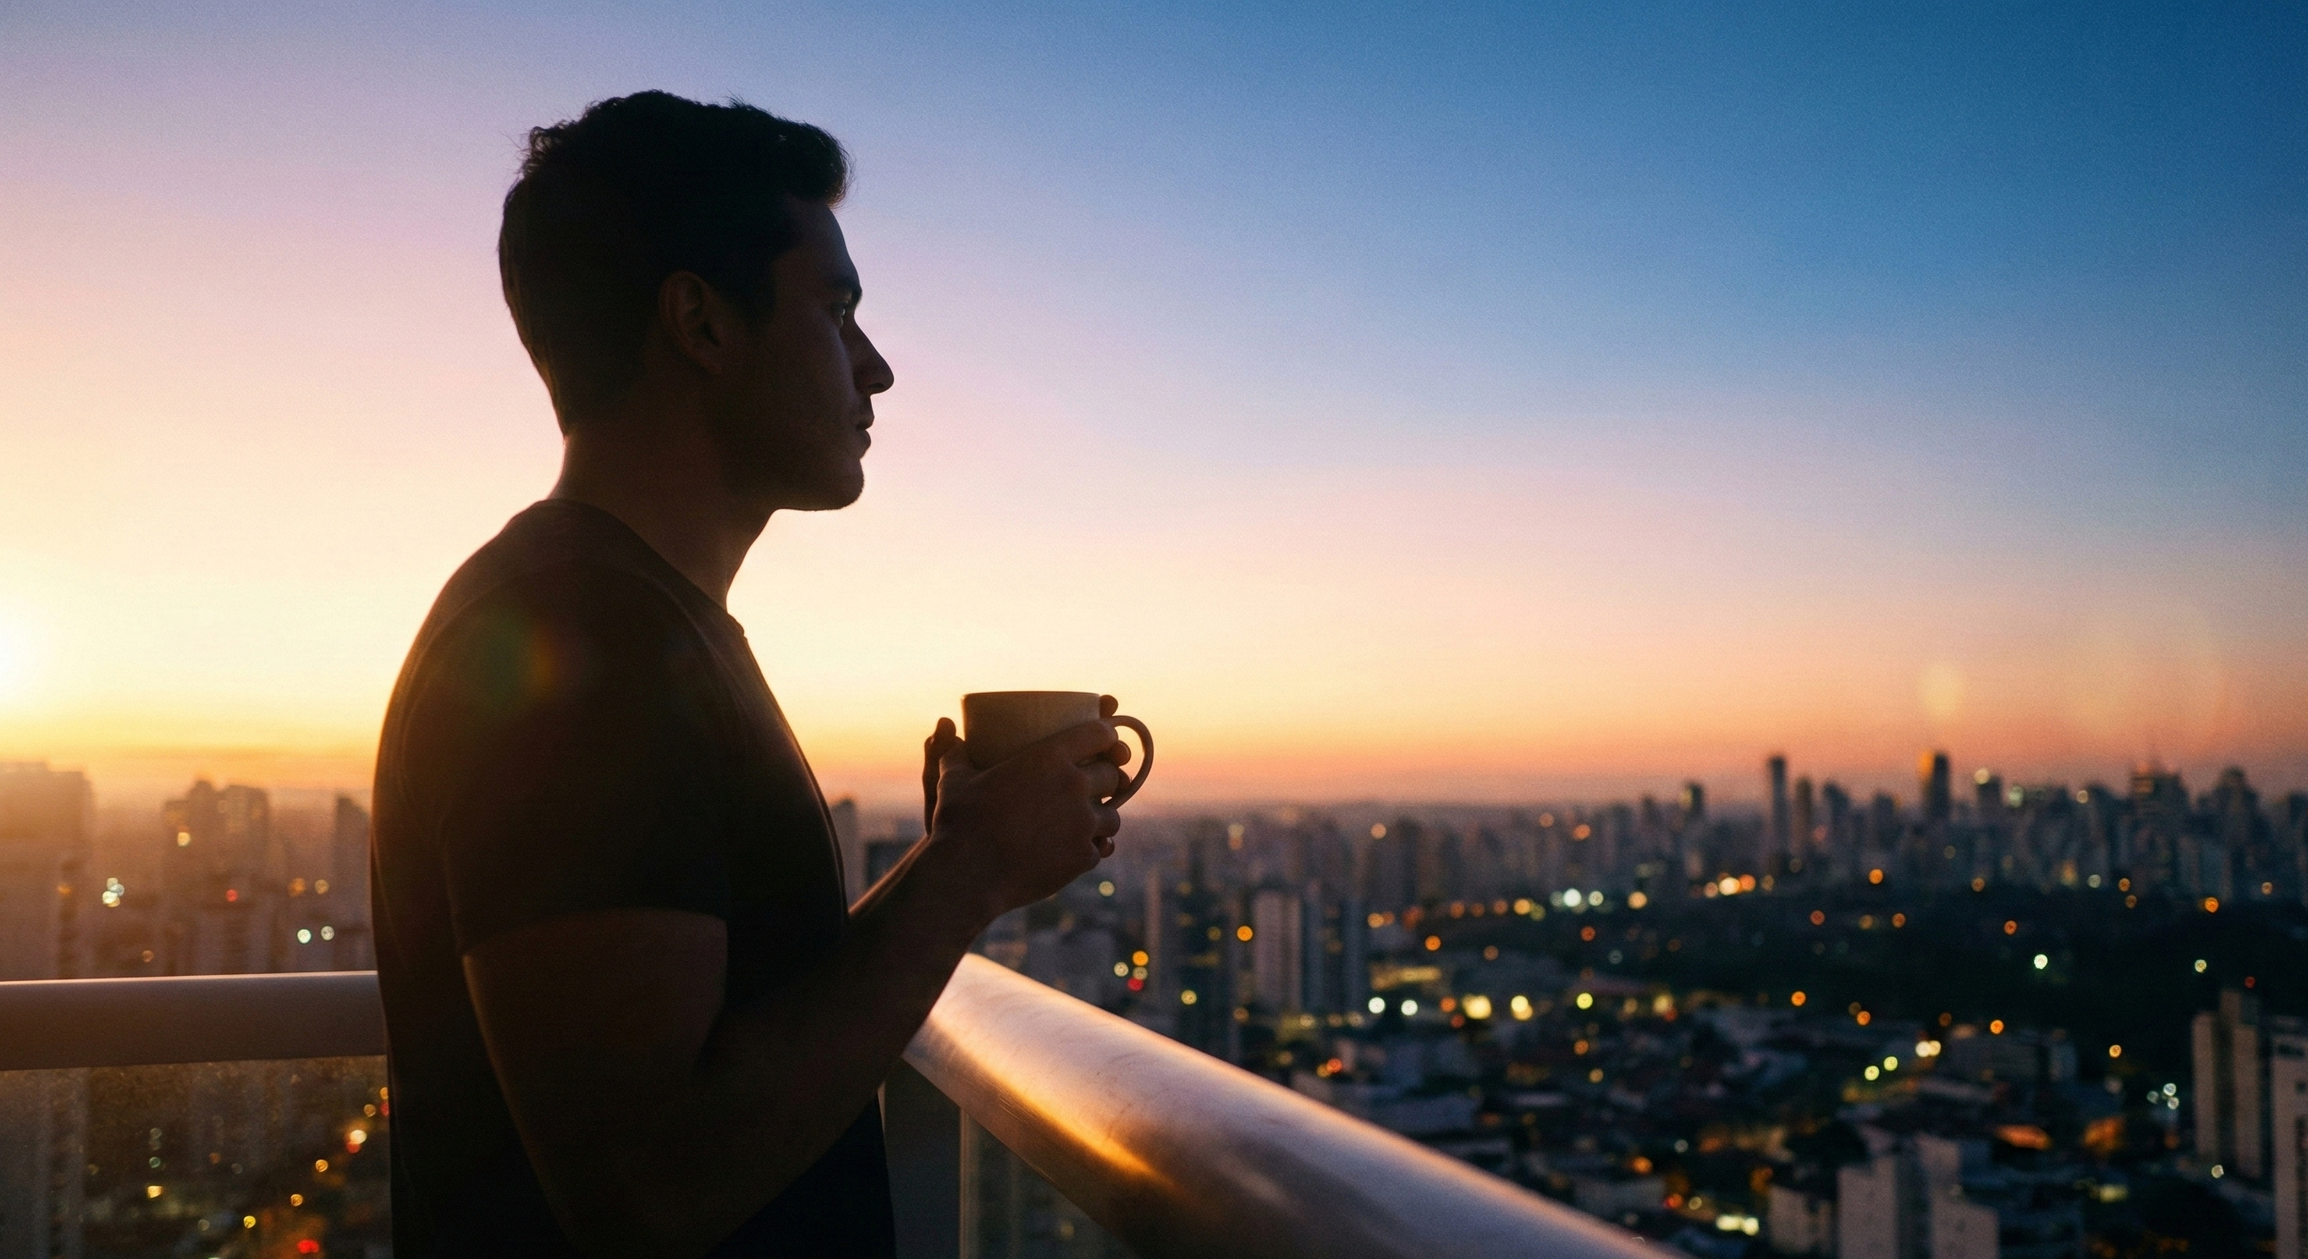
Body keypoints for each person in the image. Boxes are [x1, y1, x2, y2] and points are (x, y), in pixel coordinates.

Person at [369, 90, 1131, 1257]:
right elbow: (650, 1187)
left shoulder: (622, 615)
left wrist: (949, 856)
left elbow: (733, 1020)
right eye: (837, 311)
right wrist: (968, 872)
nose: (877, 369)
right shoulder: (587, 643)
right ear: (702, 323)